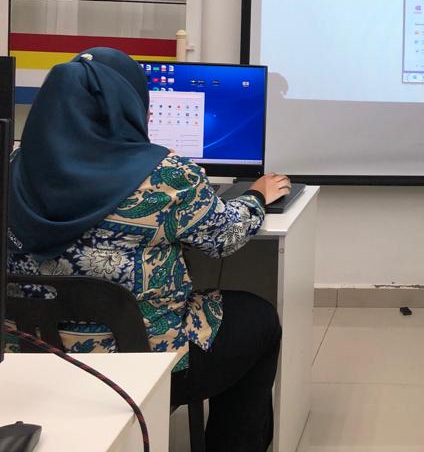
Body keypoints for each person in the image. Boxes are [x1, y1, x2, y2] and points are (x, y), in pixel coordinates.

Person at [6, 48, 291, 452]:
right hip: (144, 364)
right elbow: (225, 237)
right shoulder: (165, 176)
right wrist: (256, 196)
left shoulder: (11, 167)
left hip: (27, 360)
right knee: (258, 319)